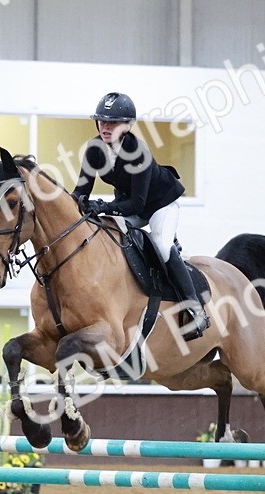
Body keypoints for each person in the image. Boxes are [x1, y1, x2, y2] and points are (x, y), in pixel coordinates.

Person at [72, 92, 208, 340]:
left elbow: (137, 203)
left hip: (159, 205)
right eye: (102, 121)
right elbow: (81, 191)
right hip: (127, 204)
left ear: (126, 126)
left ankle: (196, 310)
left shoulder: (138, 152)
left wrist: (103, 206)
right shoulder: (94, 149)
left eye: (111, 123)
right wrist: (75, 203)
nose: (105, 127)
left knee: (162, 245)